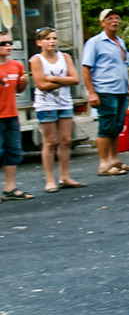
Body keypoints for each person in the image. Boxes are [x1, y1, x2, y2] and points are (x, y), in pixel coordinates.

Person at [30, 27, 87, 193]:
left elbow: (75, 79)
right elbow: (41, 85)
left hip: (64, 103)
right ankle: (50, 179)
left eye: (54, 38)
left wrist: (52, 77)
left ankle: (65, 176)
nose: (52, 41)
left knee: (66, 140)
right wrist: (64, 80)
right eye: (47, 39)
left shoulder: (65, 57)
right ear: (39, 42)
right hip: (46, 105)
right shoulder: (36, 60)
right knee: (49, 142)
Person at [82, 8, 129, 176]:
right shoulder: (95, 42)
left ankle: (114, 159)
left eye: (117, 18)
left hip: (120, 90)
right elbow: (86, 68)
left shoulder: (120, 41)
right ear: (102, 23)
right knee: (106, 126)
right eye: (110, 18)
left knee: (117, 125)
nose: (114, 21)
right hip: (104, 90)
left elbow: (122, 67)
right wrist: (91, 92)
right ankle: (103, 163)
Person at [0, 31, 30, 202]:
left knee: (12, 151)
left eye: (9, 42)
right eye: (3, 43)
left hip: (11, 114)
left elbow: (19, 90)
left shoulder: (16, 66)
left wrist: (24, 83)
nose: (8, 46)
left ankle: (10, 188)